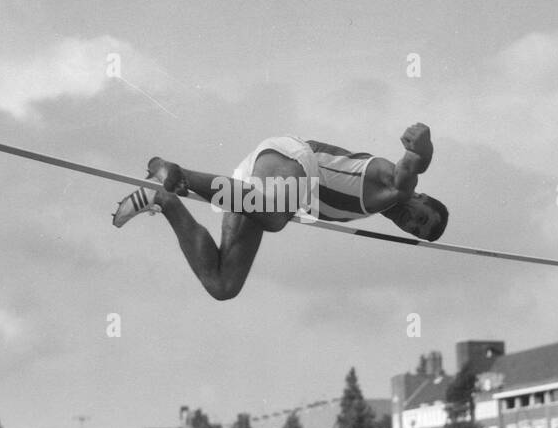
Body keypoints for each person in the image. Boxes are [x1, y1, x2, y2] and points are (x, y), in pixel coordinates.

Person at [112, 124, 448, 300]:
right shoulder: (391, 185)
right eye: (421, 216)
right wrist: (424, 146)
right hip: (291, 159)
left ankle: (164, 201)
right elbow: (411, 168)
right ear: (421, 197)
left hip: (261, 190)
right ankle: (172, 171)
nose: (411, 222)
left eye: (414, 230)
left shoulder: (379, 205)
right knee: (275, 218)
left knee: (223, 285)